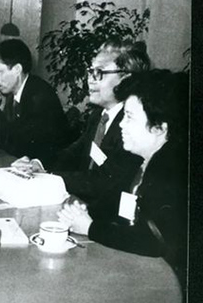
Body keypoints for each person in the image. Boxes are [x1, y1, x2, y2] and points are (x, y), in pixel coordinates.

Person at [58, 70, 188, 289]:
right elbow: (119, 207)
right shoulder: (141, 161)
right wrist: (86, 213)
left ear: (159, 128)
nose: (121, 125)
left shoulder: (172, 171)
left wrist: (91, 228)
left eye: (129, 117)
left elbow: (154, 241)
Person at [12, 39, 150, 216]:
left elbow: (105, 180)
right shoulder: (98, 115)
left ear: (126, 78)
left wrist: (51, 177)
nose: (90, 80)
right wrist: (38, 164)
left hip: (106, 216)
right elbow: (75, 152)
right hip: (82, 207)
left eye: (99, 73)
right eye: (90, 72)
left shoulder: (132, 127)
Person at [0, 39, 70, 167]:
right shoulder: (12, 92)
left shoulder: (39, 96)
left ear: (17, 69)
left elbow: (18, 145)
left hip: (49, 169)